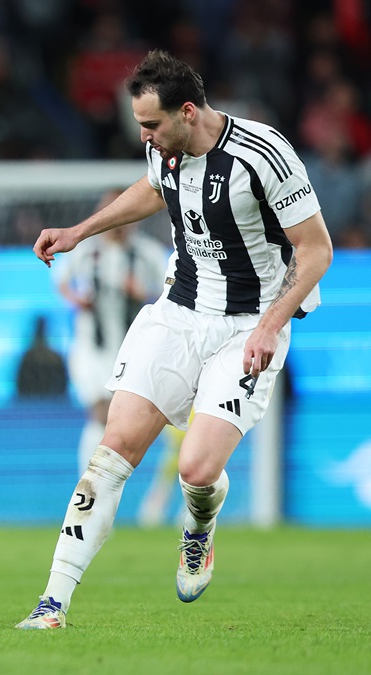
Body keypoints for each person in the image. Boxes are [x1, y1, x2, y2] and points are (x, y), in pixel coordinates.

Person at [17, 50, 332, 629]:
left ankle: (199, 526)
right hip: (177, 313)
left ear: (188, 112)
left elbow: (316, 250)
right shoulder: (164, 148)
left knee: (196, 469)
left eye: (153, 125)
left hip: (248, 325)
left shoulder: (263, 155)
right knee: (111, 454)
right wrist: (80, 232)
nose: (145, 136)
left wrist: (268, 326)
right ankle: (53, 603)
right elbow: (153, 189)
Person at [55, 189, 167, 470]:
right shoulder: (86, 250)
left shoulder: (148, 252)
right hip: (93, 348)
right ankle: (89, 484)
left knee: (124, 418)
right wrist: (77, 300)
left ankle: (102, 483)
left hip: (135, 350)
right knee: (100, 413)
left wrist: (143, 293)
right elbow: (61, 281)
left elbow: (171, 294)